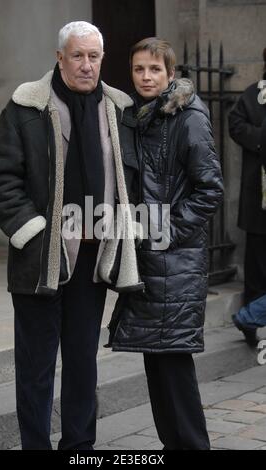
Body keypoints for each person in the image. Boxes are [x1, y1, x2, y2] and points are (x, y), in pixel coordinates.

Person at [0, 21, 143, 450]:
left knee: (82, 365)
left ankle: (79, 451)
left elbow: (133, 177)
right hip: (41, 260)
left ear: (102, 60)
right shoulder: (26, 107)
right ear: (59, 57)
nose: (86, 65)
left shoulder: (119, 108)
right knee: (35, 369)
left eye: (93, 57)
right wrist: (33, 233)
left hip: (92, 260)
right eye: (77, 56)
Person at [106, 38, 224, 450]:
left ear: (171, 74)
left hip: (174, 259)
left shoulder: (187, 116)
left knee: (172, 362)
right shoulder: (141, 116)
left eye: (155, 70)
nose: (146, 77)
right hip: (148, 258)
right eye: (139, 69)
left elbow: (209, 190)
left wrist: (165, 232)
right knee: (155, 361)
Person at [229, 48, 266, 347]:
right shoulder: (252, 95)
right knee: (256, 269)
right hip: (259, 201)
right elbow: (235, 125)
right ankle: (250, 322)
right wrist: (261, 140)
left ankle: (251, 316)